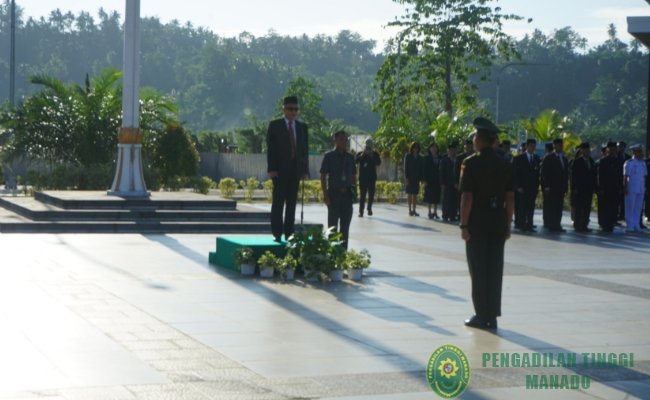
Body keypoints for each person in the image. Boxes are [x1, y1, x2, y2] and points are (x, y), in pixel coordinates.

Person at [459, 117, 514, 330]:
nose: (473, 140)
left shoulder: (470, 163)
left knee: (479, 269)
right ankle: (492, 315)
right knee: (494, 269)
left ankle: (481, 315)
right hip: (498, 221)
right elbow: (510, 198)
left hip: (477, 223)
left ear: (480, 140)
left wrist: (464, 225)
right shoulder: (505, 164)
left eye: (475, 137)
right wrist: (508, 225)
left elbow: (467, 198)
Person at [266, 95, 309, 242]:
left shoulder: (302, 127)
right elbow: (270, 149)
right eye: (290, 109)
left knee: (291, 203)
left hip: (295, 170)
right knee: (278, 202)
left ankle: (289, 232)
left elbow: (304, 150)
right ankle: (276, 232)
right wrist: (272, 168)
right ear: (283, 109)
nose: (293, 112)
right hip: (279, 171)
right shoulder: (275, 125)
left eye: (296, 109)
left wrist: (305, 169)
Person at [320, 130, 357, 249]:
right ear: (335, 140)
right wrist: (325, 195)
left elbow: (353, 177)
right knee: (332, 227)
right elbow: (323, 176)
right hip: (334, 195)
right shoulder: (329, 156)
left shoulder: (350, 157)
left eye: (346, 139)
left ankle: (343, 254)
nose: (344, 142)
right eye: (341, 139)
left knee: (345, 228)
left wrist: (354, 194)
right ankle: (332, 253)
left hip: (346, 196)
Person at [540, 138, 568, 232]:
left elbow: (565, 174)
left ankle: (557, 224)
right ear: (554, 146)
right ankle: (552, 225)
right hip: (552, 187)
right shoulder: (549, 158)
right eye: (558, 145)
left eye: (561, 145)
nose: (560, 147)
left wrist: (566, 187)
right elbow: (545, 173)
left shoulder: (563, 158)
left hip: (560, 188)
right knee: (552, 206)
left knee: (559, 207)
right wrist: (547, 186)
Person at [513, 138, 540, 232]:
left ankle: (530, 224)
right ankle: (522, 224)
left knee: (531, 207)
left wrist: (537, 187)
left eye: (534, 146)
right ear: (527, 146)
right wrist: (518, 186)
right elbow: (515, 174)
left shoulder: (536, 158)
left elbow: (537, 174)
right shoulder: (519, 158)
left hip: (532, 188)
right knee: (522, 207)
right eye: (531, 146)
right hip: (522, 187)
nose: (533, 148)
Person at [571, 143, 597, 232]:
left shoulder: (592, 161)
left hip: (588, 189)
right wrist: (574, 188)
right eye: (585, 150)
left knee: (587, 208)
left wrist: (594, 187)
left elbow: (594, 175)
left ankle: (585, 225)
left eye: (588, 150)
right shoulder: (577, 161)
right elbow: (574, 176)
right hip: (579, 188)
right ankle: (577, 225)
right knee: (579, 207)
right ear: (582, 151)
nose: (588, 152)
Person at [597, 141, 622, 232]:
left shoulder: (618, 161)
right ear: (607, 150)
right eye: (610, 150)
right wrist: (601, 188)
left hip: (615, 188)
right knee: (605, 207)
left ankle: (611, 224)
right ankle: (603, 224)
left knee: (614, 207)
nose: (612, 151)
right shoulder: (603, 161)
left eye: (614, 150)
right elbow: (600, 176)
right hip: (605, 189)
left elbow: (620, 176)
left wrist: (620, 188)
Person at [623, 145, 648, 233]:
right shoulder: (629, 162)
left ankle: (636, 224)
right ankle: (630, 225)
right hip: (631, 187)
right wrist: (625, 187)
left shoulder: (643, 163)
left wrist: (644, 187)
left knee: (638, 207)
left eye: (640, 151)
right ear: (634, 152)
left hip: (640, 188)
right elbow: (626, 176)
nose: (640, 153)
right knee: (630, 206)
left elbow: (644, 176)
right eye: (638, 151)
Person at [356, 138, 381, 217]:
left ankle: (369, 208)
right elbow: (356, 161)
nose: (368, 148)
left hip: (372, 178)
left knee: (371, 195)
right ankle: (361, 212)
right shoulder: (360, 153)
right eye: (367, 147)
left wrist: (372, 156)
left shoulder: (375, 154)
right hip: (362, 178)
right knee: (362, 196)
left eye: (369, 147)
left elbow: (378, 162)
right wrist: (363, 155)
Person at [440, 142, 458, 221]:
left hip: (455, 184)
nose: (452, 151)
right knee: (446, 199)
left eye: (453, 150)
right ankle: (445, 214)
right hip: (446, 183)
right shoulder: (444, 160)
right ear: (448, 151)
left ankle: (453, 215)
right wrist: (442, 183)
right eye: (450, 150)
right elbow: (441, 172)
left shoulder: (458, 160)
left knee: (454, 200)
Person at [423, 142, 442, 219]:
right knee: (429, 196)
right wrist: (425, 179)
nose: (434, 149)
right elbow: (424, 170)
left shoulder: (440, 157)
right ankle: (429, 212)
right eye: (432, 147)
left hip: (437, 180)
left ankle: (435, 212)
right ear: (430, 149)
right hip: (429, 180)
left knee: (436, 196)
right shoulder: (427, 158)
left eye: (435, 147)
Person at [404, 141, 422, 216]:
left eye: (417, 148)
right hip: (409, 177)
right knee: (409, 194)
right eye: (414, 147)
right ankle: (409, 210)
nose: (416, 149)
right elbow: (406, 167)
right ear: (412, 148)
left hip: (416, 178)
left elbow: (421, 169)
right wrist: (407, 178)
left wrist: (421, 178)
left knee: (415, 194)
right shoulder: (408, 156)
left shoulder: (420, 157)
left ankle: (414, 210)